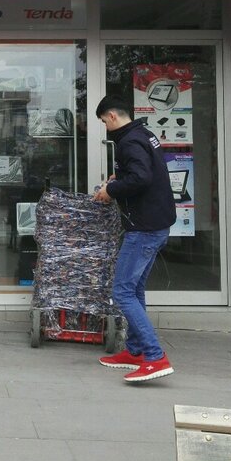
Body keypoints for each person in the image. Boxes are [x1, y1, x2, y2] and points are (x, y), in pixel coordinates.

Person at [92, 95, 177, 383]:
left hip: (144, 228)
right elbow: (143, 172)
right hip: (156, 224)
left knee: (122, 292)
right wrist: (119, 177)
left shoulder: (129, 141)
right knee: (135, 289)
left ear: (112, 116)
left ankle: (155, 356)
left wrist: (111, 190)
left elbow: (141, 178)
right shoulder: (143, 134)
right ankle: (136, 351)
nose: (105, 127)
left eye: (103, 122)